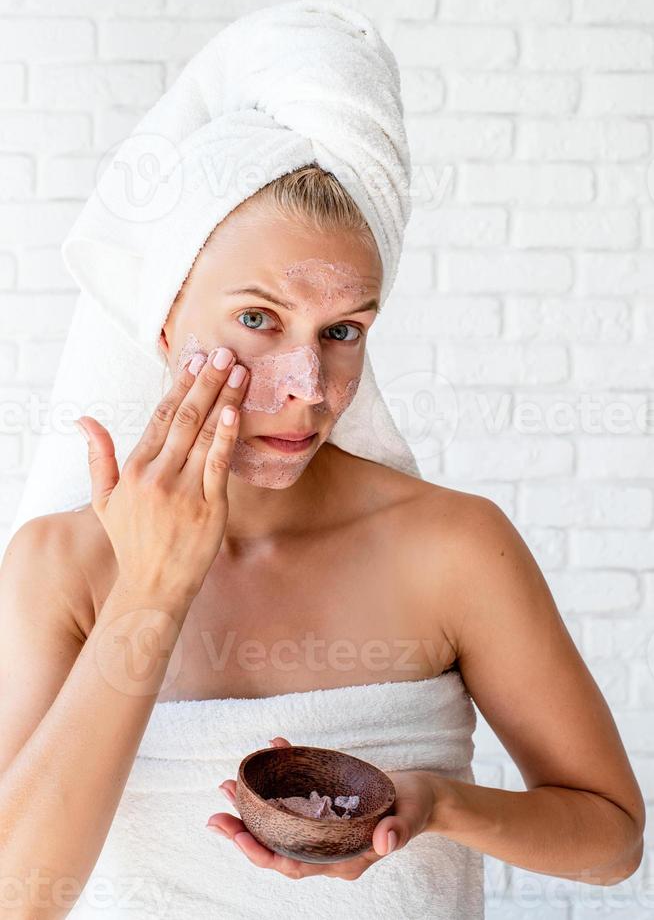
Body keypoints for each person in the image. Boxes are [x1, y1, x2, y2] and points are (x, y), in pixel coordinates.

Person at [0, 164, 645, 919]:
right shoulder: (62, 565)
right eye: (257, 319)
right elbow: (18, 897)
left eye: (341, 332)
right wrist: (153, 587)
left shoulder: (452, 546)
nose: (307, 384)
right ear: (167, 319)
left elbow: (612, 846)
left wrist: (433, 805)